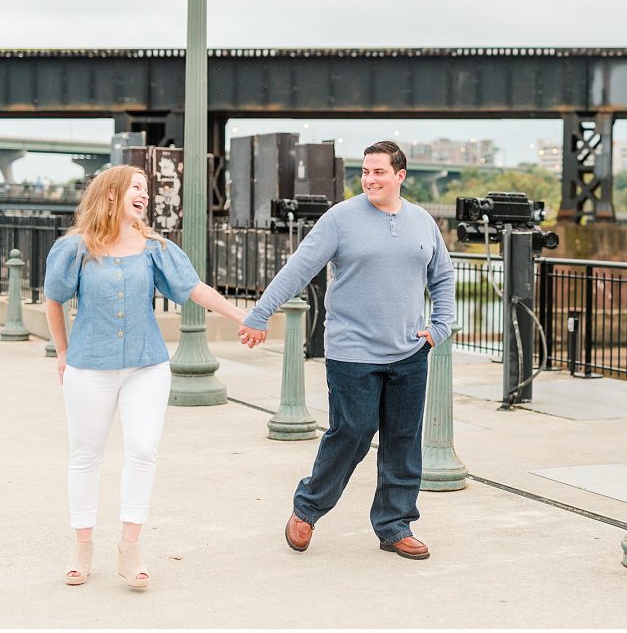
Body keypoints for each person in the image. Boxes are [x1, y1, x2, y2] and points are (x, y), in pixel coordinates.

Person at [237, 140, 455, 560]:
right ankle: (308, 507)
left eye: (379, 172)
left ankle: (395, 526)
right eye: (366, 172)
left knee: (403, 439)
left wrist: (439, 327)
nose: (370, 180)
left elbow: (442, 277)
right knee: (352, 432)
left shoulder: (423, 222)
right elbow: (299, 267)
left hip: (409, 352)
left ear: (400, 176)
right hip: (352, 352)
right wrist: (260, 314)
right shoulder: (341, 218)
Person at [44, 165, 252, 588]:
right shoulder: (76, 249)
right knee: (86, 454)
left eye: (146, 188)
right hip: (88, 365)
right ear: (110, 195)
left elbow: (194, 288)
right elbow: (53, 299)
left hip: (147, 365)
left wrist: (242, 316)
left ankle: (130, 544)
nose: (144, 194)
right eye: (135, 187)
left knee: (142, 449)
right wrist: (63, 352)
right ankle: (82, 547)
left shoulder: (156, 247)